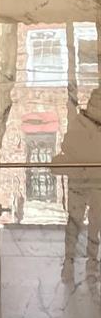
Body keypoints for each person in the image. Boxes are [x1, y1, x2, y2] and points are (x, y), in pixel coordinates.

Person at [59, 86, 101, 277]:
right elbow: (67, 145)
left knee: (95, 224)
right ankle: (69, 261)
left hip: (96, 182)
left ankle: (91, 263)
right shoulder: (79, 122)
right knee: (75, 222)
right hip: (80, 181)